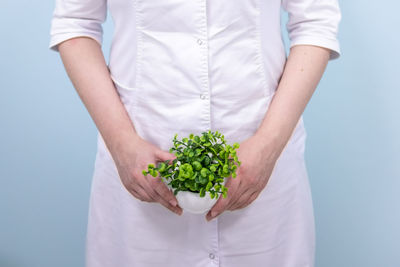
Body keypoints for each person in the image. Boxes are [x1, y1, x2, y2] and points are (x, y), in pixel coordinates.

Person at [49, 0, 341, 266]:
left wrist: (267, 146)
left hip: (261, 160)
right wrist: (121, 143)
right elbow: (75, 23)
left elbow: (315, 21)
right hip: (141, 160)